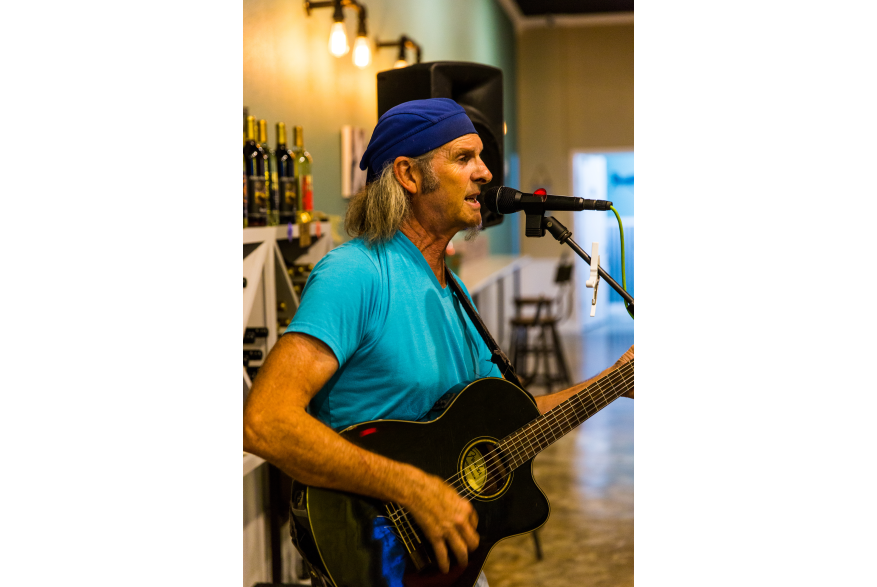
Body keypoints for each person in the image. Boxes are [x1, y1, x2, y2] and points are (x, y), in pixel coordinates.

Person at [242, 98, 634, 585]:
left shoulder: (455, 292)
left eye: (481, 158)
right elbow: (265, 421)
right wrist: (414, 489)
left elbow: (516, 420)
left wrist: (616, 381)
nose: (486, 172)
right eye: (463, 157)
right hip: (375, 555)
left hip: (446, 561)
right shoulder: (356, 273)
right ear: (408, 174)